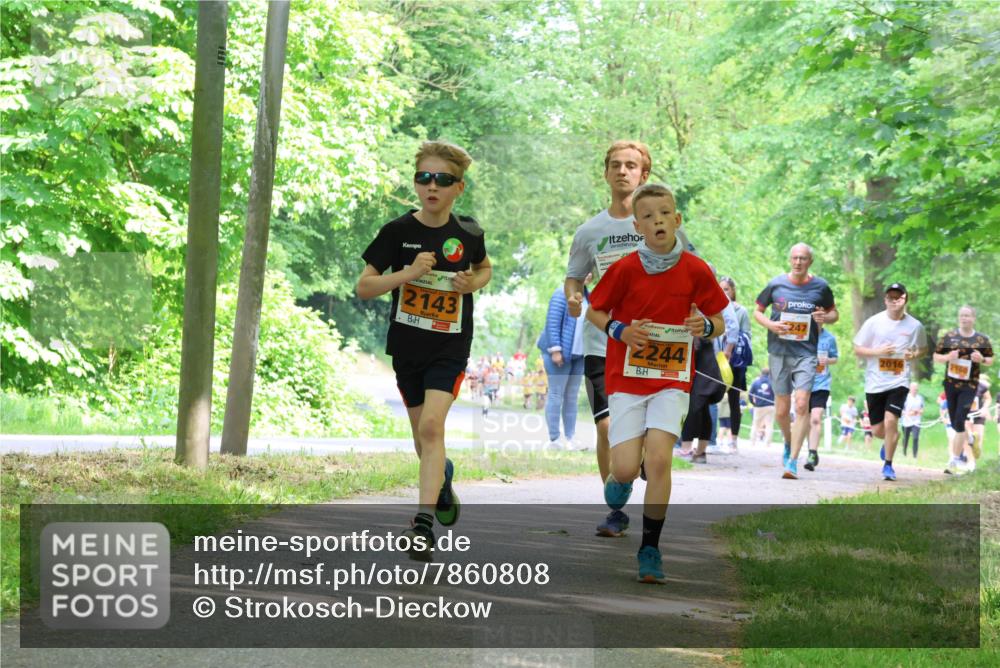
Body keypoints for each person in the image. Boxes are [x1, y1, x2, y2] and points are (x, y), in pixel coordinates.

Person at [586, 182, 729, 583]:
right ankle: (620, 481)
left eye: (665, 213)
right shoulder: (625, 268)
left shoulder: (696, 269)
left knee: (660, 459)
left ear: (677, 219)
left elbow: (719, 320)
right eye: (648, 217)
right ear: (638, 227)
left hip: (671, 379)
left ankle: (650, 548)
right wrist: (620, 330)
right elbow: (595, 311)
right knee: (626, 467)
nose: (658, 221)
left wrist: (704, 326)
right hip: (626, 378)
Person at [356, 141, 491, 561]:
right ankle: (442, 480)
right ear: (416, 184)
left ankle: (422, 526)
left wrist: (473, 282)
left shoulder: (468, 233)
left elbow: (485, 267)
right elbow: (364, 287)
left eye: (443, 180)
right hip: (407, 348)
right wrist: (408, 274)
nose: (432, 186)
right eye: (424, 177)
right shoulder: (397, 232)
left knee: (432, 428)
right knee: (423, 439)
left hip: (450, 345)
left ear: (459, 188)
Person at [565, 140, 696, 538]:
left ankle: (633, 466)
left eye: (631, 166)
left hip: (654, 347)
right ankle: (616, 511)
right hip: (602, 343)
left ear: (644, 175)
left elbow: (691, 272)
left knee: (644, 441)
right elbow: (574, 277)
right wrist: (574, 296)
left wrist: (696, 315)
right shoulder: (590, 231)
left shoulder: (664, 223)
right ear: (606, 173)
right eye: (616, 165)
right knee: (607, 428)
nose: (622, 171)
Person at [754, 243, 838, 479]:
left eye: (803, 258)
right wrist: (771, 325)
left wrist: (825, 317)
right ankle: (788, 441)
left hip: (806, 352)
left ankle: (792, 461)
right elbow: (757, 311)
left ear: (810, 261)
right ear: (790, 260)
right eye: (795, 258)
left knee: (801, 405)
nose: (798, 262)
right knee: (781, 411)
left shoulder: (820, 287)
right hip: (779, 351)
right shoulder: (776, 284)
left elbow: (834, 314)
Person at [852, 283, 927, 481]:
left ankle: (888, 465)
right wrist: (879, 351)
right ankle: (891, 439)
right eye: (891, 297)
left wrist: (914, 354)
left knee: (891, 420)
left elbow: (923, 349)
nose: (894, 301)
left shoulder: (915, 326)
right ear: (885, 300)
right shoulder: (873, 323)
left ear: (905, 299)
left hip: (899, 381)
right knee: (878, 431)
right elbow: (858, 349)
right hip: (875, 382)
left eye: (898, 297)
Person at [933, 305, 994, 474]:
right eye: (961, 315)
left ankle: (954, 460)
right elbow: (936, 356)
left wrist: (981, 359)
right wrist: (948, 357)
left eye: (967, 315)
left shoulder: (981, 339)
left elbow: (990, 360)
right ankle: (970, 438)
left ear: (973, 318)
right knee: (955, 423)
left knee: (960, 420)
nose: (964, 318)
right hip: (951, 384)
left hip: (969, 386)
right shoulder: (949, 337)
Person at [537, 285, 587, 444]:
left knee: (572, 396)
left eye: (590, 272)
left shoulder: (589, 296)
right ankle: (555, 439)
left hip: (578, 355)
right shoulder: (562, 292)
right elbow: (552, 323)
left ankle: (570, 437)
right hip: (558, 353)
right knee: (556, 394)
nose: (587, 274)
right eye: (583, 272)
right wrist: (555, 350)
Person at [719, 277, 752, 452]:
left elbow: (747, 334)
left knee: (734, 401)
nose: (724, 292)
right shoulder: (713, 308)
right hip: (717, 358)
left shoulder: (741, 311)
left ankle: (734, 440)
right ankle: (709, 439)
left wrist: (732, 335)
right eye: (721, 289)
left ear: (733, 291)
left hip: (735, 361)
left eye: (727, 289)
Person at [804, 325, 838, 471]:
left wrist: (827, 360)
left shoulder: (829, 338)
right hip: (803, 383)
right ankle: (810, 448)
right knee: (805, 421)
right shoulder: (803, 333)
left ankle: (812, 454)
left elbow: (835, 358)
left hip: (822, 384)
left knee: (816, 418)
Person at [749, 368, 776, 447]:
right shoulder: (773, 383)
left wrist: (753, 403)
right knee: (769, 425)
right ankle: (767, 443)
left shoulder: (756, 382)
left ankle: (752, 442)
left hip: (759, 406)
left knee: (755, 424)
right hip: (770, 405)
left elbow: (750, 394)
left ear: (761, 373)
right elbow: (777, 394)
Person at [969, 376, 992, 465]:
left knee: (978, 438)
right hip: (965, 415)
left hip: (978, 415)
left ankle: (974, 462)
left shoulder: (981, 386)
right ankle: (970, 461)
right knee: (969, 438)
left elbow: (988, 398)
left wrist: (984, 408)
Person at [900, 383, 924, 458]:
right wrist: (908, 413)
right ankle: (904, 452)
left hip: (916, 421)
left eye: (916, 389)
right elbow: (901, 410)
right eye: (913, 388)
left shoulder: (920, 398)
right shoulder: (906, 397)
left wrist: (918, 411)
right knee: (906, 438)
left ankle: (915, 456)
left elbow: (922, 409)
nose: (915, 390)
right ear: (910, 389)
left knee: (915, 438)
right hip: (907, 421)